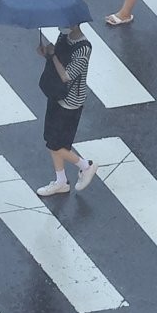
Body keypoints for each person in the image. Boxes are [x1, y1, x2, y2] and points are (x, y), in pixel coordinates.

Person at [35, 24, 98, 196]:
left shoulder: (84, 48)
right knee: (52, 140)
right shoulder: (64, 37)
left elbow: (67, 75)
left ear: (76, 24)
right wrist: (47, 54)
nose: (61, 26)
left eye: (66, 23)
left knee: (56, 145)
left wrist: (53, 55)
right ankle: (61, 181)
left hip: (70, 101)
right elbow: (59, 62)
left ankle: (86, 166)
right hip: (56, 94)